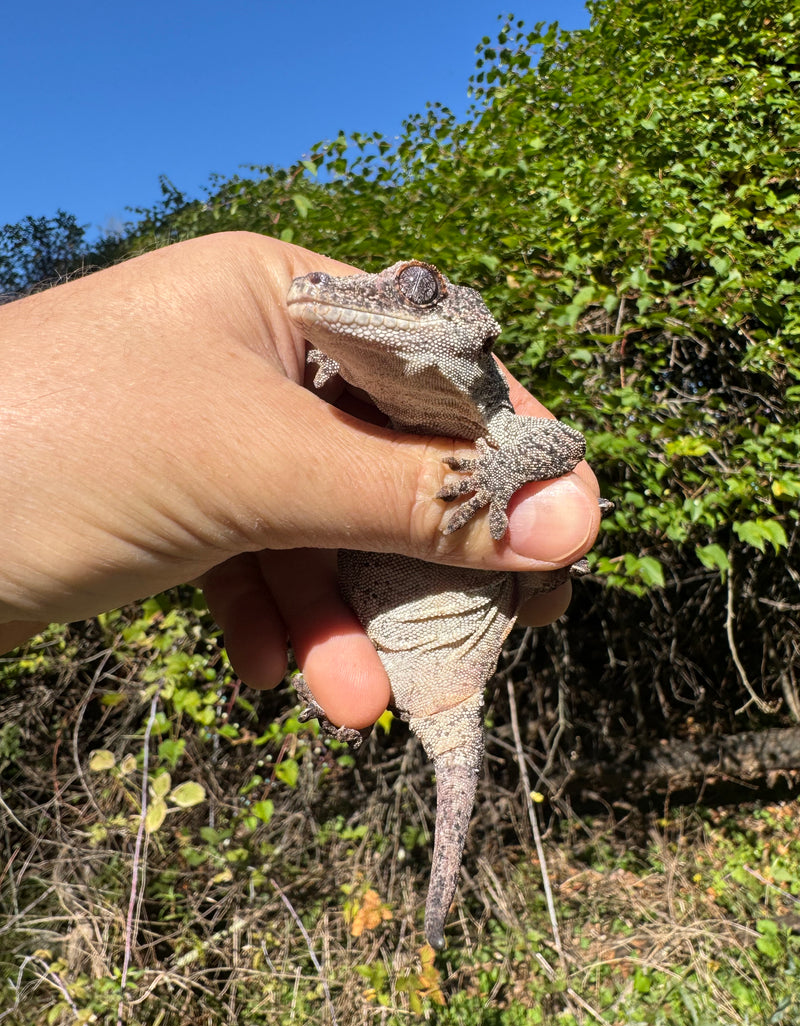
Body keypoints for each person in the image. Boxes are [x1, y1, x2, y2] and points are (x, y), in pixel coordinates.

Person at [0, 231, 602, 730]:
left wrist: (500, 477)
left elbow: (564, 442)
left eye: (416, 291)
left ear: (473, 323)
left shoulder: (503, 424)